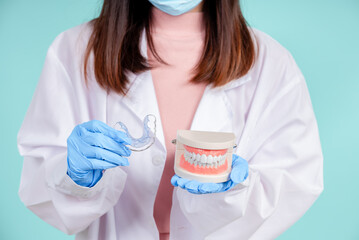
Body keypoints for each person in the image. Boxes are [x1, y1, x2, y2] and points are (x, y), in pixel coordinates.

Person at [17, 0, 323, 239]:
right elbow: (38, 177)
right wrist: (74, 175)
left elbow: (296, 181)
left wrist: (237, 190)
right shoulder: (75, 50)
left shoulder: (271, 63)